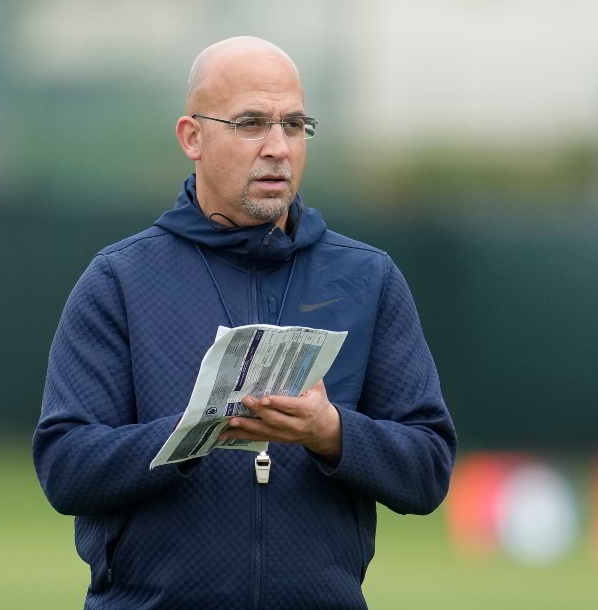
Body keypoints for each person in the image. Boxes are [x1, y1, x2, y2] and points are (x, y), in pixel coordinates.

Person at [34, 36, 456, 609]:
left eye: (295, 124)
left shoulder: (366, 279)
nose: (278, 147)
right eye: (252, 123)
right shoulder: (121, 280)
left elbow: (428, 468)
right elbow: (66, 466)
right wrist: (195, 434)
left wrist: (329, 432)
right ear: (193, 137)